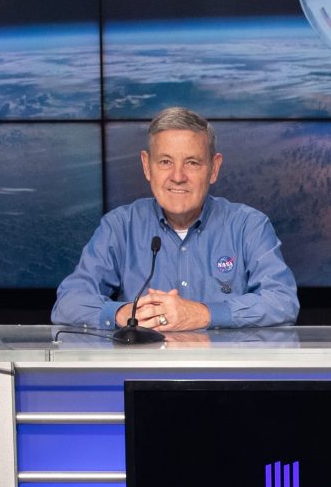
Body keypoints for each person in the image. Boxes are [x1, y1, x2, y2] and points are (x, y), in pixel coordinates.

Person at [52, 107, 299, 330]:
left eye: (192, 163)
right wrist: (122, 313)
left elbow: (282, 302)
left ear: (214, 168)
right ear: (147, 166)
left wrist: (203, 313)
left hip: (224, 375)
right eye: (165, 162)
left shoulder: (249, 226)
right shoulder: (119, 227)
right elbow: (68, 303)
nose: (177, 176)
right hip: (141, 375)